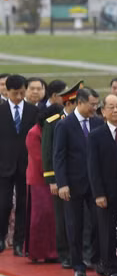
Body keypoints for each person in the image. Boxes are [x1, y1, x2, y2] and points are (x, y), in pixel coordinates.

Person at [54, 87, 103, 276]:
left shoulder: (98, 122)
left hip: (95, 183)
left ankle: (96, 258)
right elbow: (59, 156)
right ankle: (78, 265)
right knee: (75, 224)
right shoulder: (65, 125)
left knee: (99, 223)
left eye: (96, 104)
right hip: (73, 184)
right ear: (80, 102)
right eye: (92, 104)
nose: (94, 108)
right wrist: (62, 183)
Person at [87, 94, 117, 276]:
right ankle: (110, 268)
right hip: (106, 192)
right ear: (103, 111)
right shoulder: (96, 135)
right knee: (106, 232)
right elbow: (93, 167)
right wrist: (98, 193)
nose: (116, 111)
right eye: (111, 107)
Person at [42, 81, 81, 266]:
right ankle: (64, 253)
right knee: (63, 218)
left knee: (83, 219)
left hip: (81, 178)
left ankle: (83, 253)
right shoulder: (54, 122)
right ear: (69, 103)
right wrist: (53, 180)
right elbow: (49, 153)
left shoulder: (86, 121)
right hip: (61, 178)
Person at [0, 75, 38, 255]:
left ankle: (19, 242)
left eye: (22, 93)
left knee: (24, 204)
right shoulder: (1, 111)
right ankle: (1, 238)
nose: (19, 97)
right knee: (4, 203)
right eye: (15, 93)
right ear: (7, 92)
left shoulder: (33, 111)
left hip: (26, 165)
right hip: (3, 165)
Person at [24, 104, 60, 262]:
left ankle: (52, 251)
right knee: (41, 217)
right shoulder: (34, 133)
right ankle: (39, 251)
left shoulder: (49, 130)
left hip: (50, 178)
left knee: (52, 217)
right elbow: (40, 160)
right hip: (39, 180)